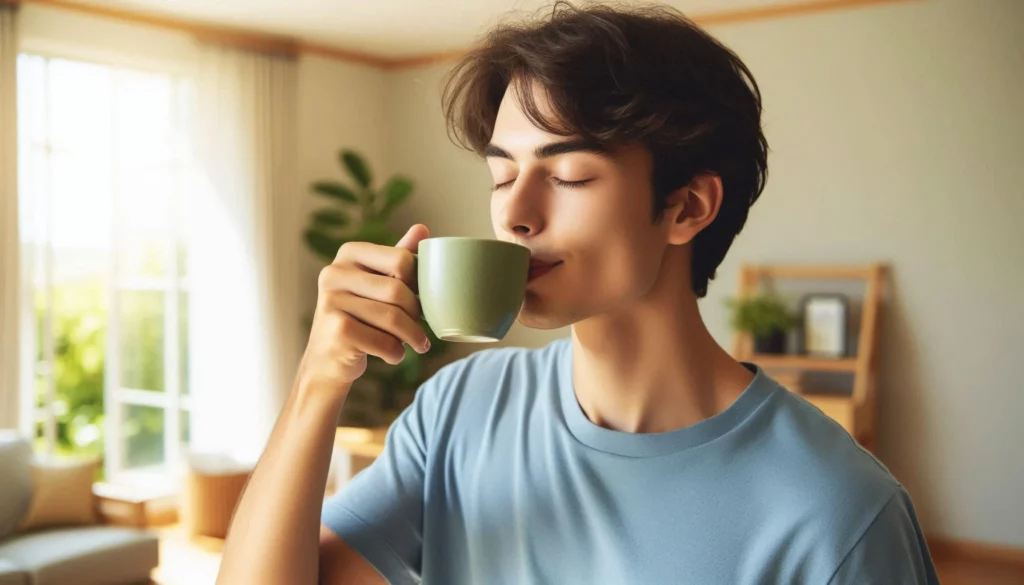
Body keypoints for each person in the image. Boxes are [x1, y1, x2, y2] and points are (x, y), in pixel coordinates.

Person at [216, 4, 939, 584]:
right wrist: (318, 379)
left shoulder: (838, 511)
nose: (515, 212)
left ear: (687, 208)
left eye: (568, 176)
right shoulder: (457, 411)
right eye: (503, 175)